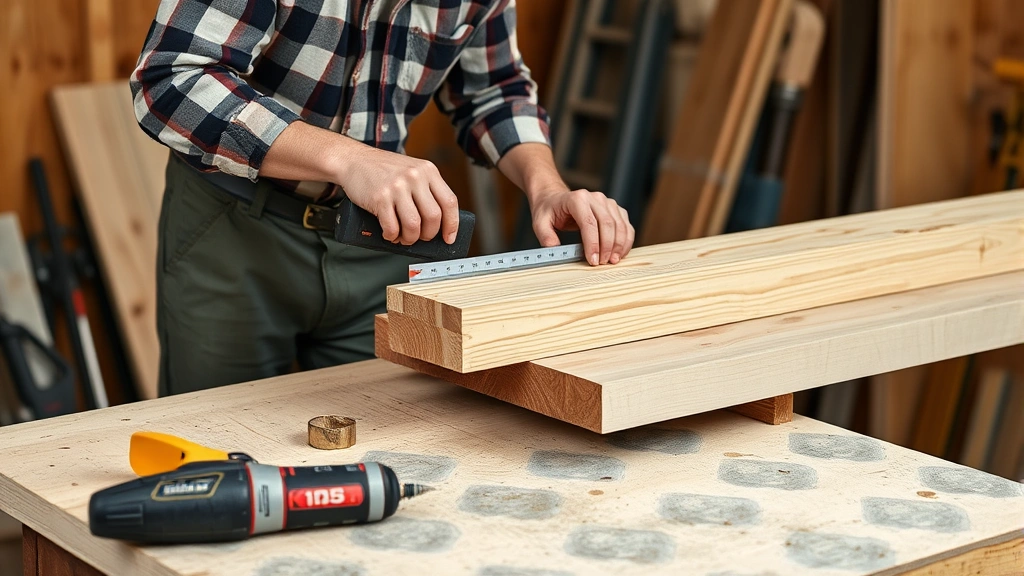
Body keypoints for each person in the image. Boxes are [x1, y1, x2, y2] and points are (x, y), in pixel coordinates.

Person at [132, 0, 635, 397]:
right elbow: (171, 81)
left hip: (376, 239)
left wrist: (547, 187)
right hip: (234, 230)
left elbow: (494, 91)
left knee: (378, 446)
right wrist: (350, 160)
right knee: (211, 452)